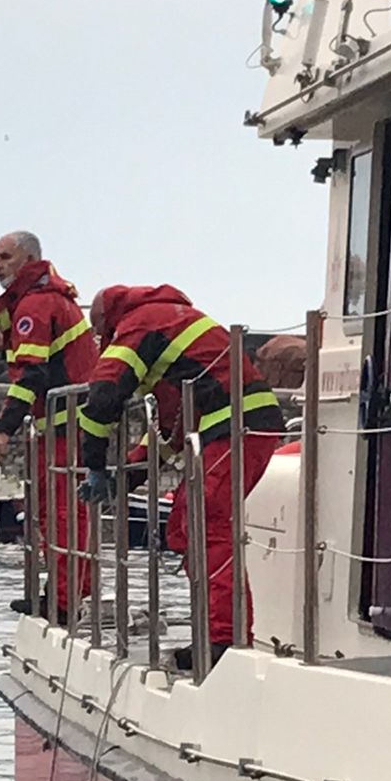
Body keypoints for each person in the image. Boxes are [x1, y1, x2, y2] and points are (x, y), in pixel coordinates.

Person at [77, 285, 282, 671]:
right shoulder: (170, 326)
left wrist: (96, 464)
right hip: (239, 427)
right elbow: (172, 427)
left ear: (108, 323)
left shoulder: (140, 326)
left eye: (101, 334)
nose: (102, 342)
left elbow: (102, 396)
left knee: (207, 527)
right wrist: (131, 474)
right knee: (189, 528)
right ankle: (216, 634)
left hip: (236, 429)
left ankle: (225, 641)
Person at [0, 231, 95, 614]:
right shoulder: (48, 300)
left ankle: (64, 602)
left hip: (66, 425)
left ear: (28, 259)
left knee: (61, 514)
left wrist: (3, 429)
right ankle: (72, 591)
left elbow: (30, 374)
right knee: (64, 512)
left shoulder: (35, 305)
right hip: (72, 423)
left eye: (5, 257)